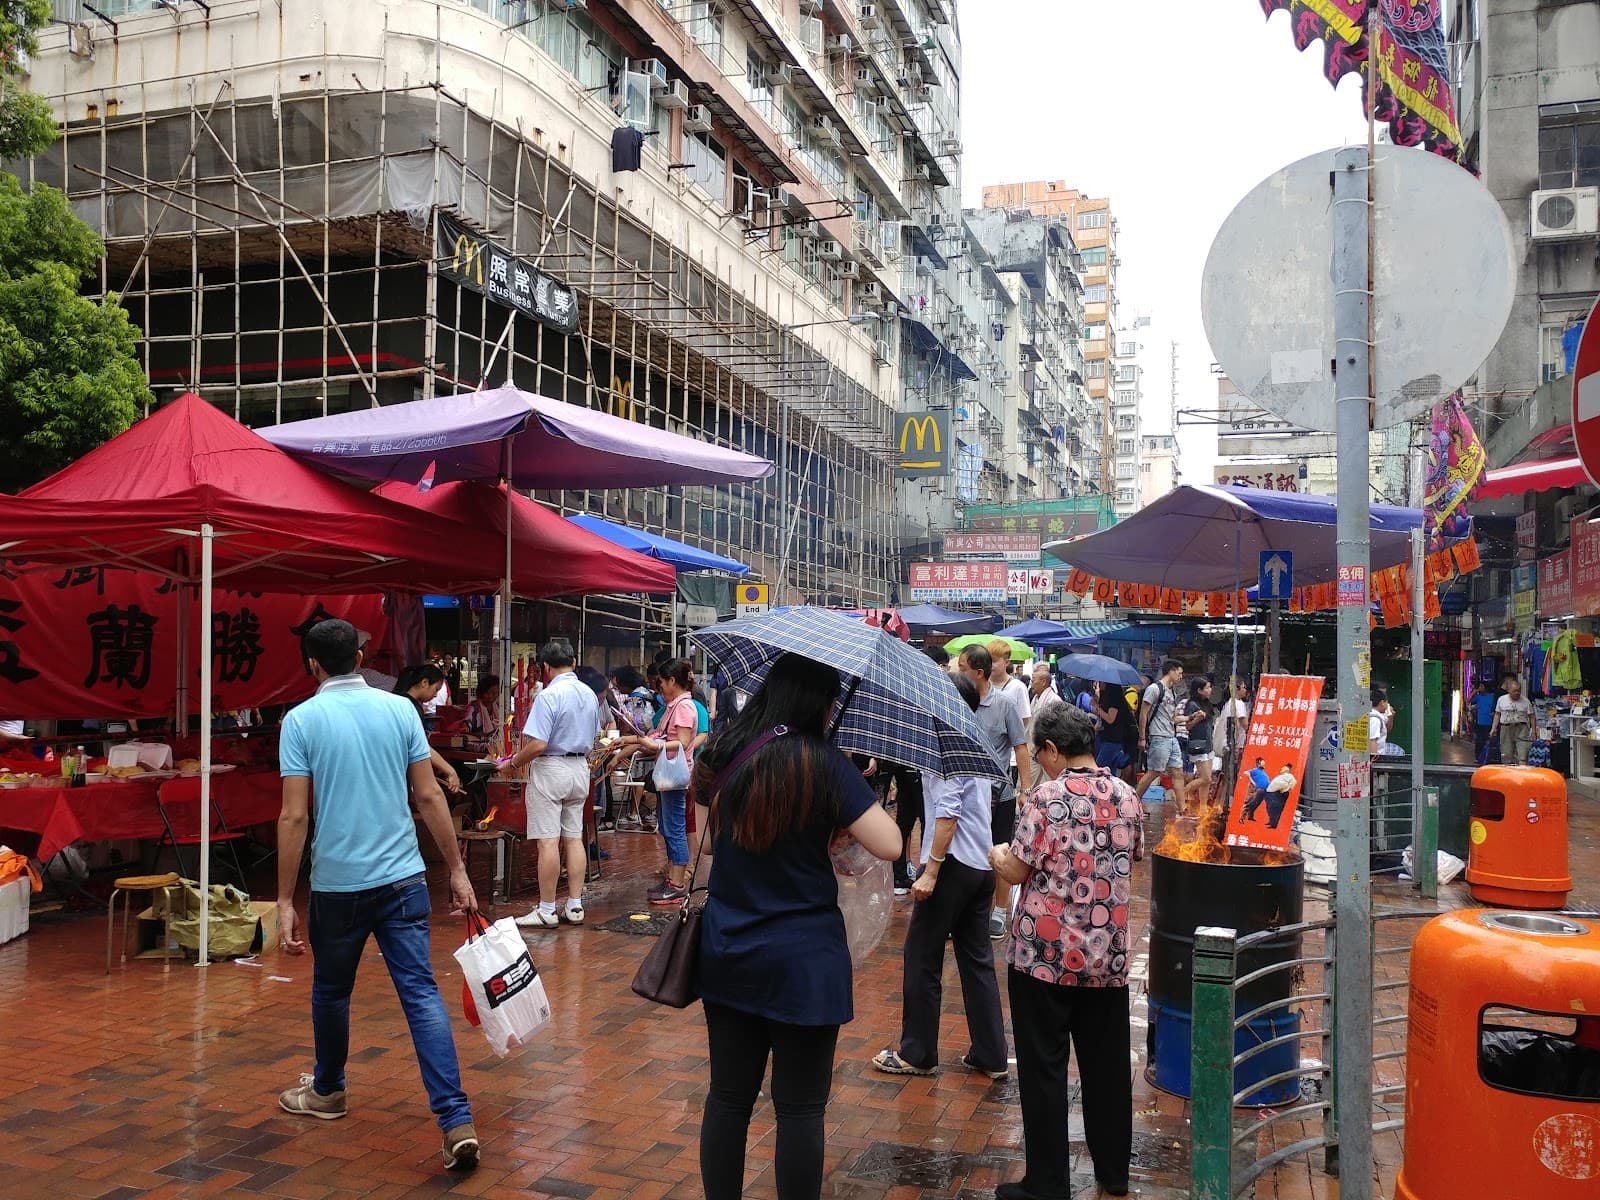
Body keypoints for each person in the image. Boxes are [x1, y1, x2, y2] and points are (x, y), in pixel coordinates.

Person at [692, 653, 900, 1200]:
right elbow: (890, 844)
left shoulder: (723, 753)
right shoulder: (825, 763)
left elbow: (709, 845)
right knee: (801, 1107)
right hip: (804, 961)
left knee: (728, 1098)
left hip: (729, 946)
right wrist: (831, 819)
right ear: (821, 704)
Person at [274, 619, 479, 1173]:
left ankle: (329, 1090)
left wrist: (285, 898)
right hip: (404, 880)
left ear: (312, 665)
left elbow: (295, 814)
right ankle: (455, 1118)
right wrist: (456, 870)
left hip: (338, 885)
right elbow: (430, 795)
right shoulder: (398, 712)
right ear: (361, 656)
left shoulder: (301, 721)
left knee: (332, 991)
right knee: (419, 994)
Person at [989, 704, 1144, 1200]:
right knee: (1107, 1067)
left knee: (1044, 1068)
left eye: (1039, 753)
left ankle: (1047, 1183)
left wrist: (997, 854)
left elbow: (1016, 870)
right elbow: (1129, 856)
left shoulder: (1046, 797)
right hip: (1107, 957)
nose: (1039, 761)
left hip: (1045, 956)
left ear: (1053, 750)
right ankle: (1113, 1173)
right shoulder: (1125, 794)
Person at [870, 672, 1009, 1081]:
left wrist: (930, 871)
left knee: (921, 956)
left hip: (952, 868)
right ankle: (991, 1053)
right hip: (980, 866)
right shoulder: (974, 736)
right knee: (977, 961)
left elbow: (948, 814)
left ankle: (917, 1052)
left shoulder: (944, 743)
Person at [496, 641, 600, 927]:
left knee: (548, 841)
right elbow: (595, 737)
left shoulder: (549, 695)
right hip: (580, 767)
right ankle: (575, 906)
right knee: (574, 837)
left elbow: (538, 744)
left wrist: (513, 762)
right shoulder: (589, 694)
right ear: (574, 661)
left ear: (545, 667)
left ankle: (546, 909)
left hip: (552, 768)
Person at [957, 645, 1032, 941]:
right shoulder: (958, 700)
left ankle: (1000, 910)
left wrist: (1025, 788)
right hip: (965, 794)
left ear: (978, 672)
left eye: (962, 668)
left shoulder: (1004, 705)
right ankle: (965, 909)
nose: (957, 672)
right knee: (966, 852)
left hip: (998, 794)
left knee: (1001, 851)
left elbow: (1020, 747)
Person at [609, 658, 699, 904]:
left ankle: (678, 883)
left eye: (661, 681)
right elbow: (660, 735)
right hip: (669, 776)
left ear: (672, 681)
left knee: (675, 829)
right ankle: (673, 879)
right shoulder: (674, 705)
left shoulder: (683, 707)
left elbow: (680, 742)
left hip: (676, 777)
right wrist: (632, 741)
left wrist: (654, 743)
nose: (659, 686)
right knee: (669, 827)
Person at [392, 666, 463, 796]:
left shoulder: (395, 701)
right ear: (424, 683)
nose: (436, 694)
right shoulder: (410, 706)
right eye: (436, 689)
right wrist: (450, 771)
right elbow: (422, 746)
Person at [1134, 659, 1185, 803]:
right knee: (1153, 772)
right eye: (1179, 673)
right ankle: (1133, 802)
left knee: (1177, 772)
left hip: (1171, 737)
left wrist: (1189, 718)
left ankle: (1182, 809)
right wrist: (1142, 738)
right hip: (1158, 737)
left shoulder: (1172, 692)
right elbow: (1143, 713)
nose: (1180, 677)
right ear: (1171, 671)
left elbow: (1172, 718)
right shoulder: (1155, 689)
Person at [1181, 677, 1216, 809]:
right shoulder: (1192, 705)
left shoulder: (1206, 703)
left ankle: (1203, 807)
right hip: (1198, 745)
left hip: (1208, 744)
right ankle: (1182, 793)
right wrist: (1197, 719)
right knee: (1206, 778)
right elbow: (1188, 726)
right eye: (1207, 688)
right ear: (1199, 690)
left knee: (1206, 781)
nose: (1210, 690)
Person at [1093, 682, 1138, 777]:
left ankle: (1123, 759)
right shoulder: (1107, 697)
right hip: (1109, 737)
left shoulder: (1114, 699)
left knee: (1099, 770)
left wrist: (1097, 706)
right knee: (1110, 772)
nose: (1099, 684)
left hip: (1113, 739)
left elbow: (1110, 719)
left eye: (1100, 681)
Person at [988, 639, 1033, 734]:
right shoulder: (983, 684)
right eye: (987, 660)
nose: (990, 665)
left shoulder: (1018, 687)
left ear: (1007, 662)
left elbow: (1025, 718)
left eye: (994, 661)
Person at [1490, 676, 1535, 766]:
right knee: (1506, 755)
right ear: (1509, 690)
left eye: (1519, 690)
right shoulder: (1501, 700)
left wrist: (1533, 731)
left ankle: (1522, 775)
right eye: (1515, 691)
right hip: (1506, 728)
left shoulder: (1526, 701)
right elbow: (1497, 714)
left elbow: (1532, 716)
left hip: (1521, 729)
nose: (1517, 693)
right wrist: (1493, 728)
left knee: (1523, 754)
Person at [1217, 681, 1250, 765]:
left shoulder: (1228, 703)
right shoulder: (1238, 704)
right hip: (1237, 744)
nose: (1245, 690)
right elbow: (1245, 725)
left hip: (1227, 743)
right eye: (1244, 688)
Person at [464, 675, 500, 739]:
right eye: (488, 693)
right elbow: (465, 730)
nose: (491, 697)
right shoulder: (473, 708)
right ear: (481, 693)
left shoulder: (498, 708)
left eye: (494, 693)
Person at [1240, 756, 1274, 823]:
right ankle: (1242, 818)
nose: (1264, 764)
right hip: (1255, 790)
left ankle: (1250, 816)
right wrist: (1251, 780)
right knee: (1249, 803)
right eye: (1262, 763)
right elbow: (1246, 773)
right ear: (1258, 764)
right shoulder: (1255, 770)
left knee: (1255, 804)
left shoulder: (1264, 773)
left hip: (1263, 791)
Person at [1264, 762, 1297, 829]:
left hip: (1279, 794)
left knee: (1276, 809)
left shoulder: (1289, 776)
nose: (1281, 769)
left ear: (1287, 769)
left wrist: (1286, 789)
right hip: (1272, 793)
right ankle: (1271, 821)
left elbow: (1293, 783)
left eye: (1283, 768)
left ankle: (1274, 825)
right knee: (1270, 808)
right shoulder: (1280, 776)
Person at [1471, 679, 1497, 765]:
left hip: (1490, 722)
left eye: (1482, 686)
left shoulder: (1492, 696)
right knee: (1479, 741)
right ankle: (1478, 757)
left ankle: (1487, 758)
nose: (1480, 688)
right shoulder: (1478, 697)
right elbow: (1468, 700)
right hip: (1480, 722)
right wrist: (1475, 691)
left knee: (1489, 741)